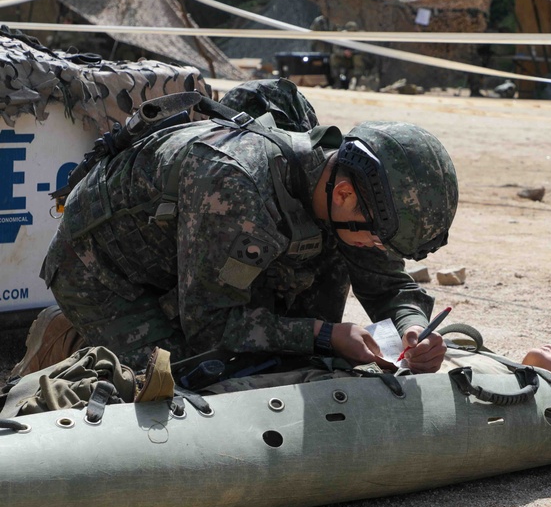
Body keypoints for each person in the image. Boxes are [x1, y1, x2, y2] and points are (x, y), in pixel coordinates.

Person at [13, 79, 459, 377]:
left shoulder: (349, 194)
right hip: (103, 274)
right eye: (378, 238)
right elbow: (211, 326)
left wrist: (412, 327)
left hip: (189, 260)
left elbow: (389, 285)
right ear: (343, 194)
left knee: (288, 353)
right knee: (192, 373)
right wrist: (324, 335)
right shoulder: (236, 185)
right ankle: (65, 335)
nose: (376, 247)